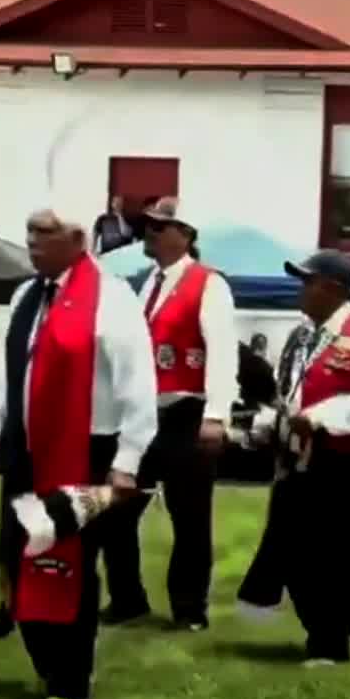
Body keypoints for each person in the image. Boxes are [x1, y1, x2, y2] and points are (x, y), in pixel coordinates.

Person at [0, 208, 157, 699]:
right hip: (27, 448)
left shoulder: (111, 300)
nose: (31, 242)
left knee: (67, 563)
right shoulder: (26, 296)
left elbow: (139, 384)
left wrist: (127, 460)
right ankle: (46, 664)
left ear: (77, 239)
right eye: (27, 232)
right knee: (15, 556)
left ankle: (69, 682)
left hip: (85, 449)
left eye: (44, 234)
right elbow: (6, 376)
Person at [236, 251, 350, 665]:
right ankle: (318, 628)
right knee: (292, 548)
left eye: (309, 282)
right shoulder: (303, 337)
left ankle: (331, 642)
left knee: (334, 554)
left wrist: (321, 418)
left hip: (345, 463)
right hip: (299, 460)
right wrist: (270, 424)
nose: (301, 290)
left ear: (335, 289)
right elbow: (291, 394)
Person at [98, 198, 237, 631]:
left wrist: (216, 413)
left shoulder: (208, 284)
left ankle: (189, 608)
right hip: (144, 413)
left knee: (190, 516)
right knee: (118, 509)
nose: (150, 234)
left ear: (185, 234)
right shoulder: (147, 284)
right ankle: (127, 599)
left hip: (186, 409)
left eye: (160, 228)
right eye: (149, 227)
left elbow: (222, 352)